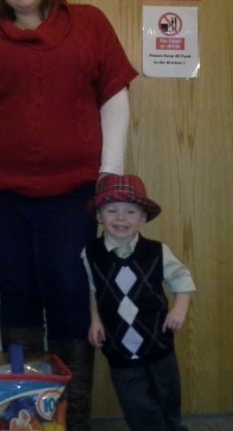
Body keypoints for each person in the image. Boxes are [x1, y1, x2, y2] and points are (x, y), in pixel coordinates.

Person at [0, 0, 138, 431]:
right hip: (1, 195)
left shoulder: (89, 23)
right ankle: (25, 414)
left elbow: (114, 97)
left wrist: (109, 174)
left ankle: (73, 417)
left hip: (75, 193)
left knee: (69, 291)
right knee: (18, 292)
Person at [83, 174, 196, 431]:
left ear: (143, 218)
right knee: (136, 404)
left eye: (131, 211)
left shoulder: (157, 251)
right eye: (112, 210)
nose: (121, 218)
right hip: (118, 342)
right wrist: (95, 321)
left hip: (158, 338)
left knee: (167, 395)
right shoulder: (91, 254)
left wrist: (179, 308)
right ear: (99, 216)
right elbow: (92, 288)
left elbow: (182, 278)